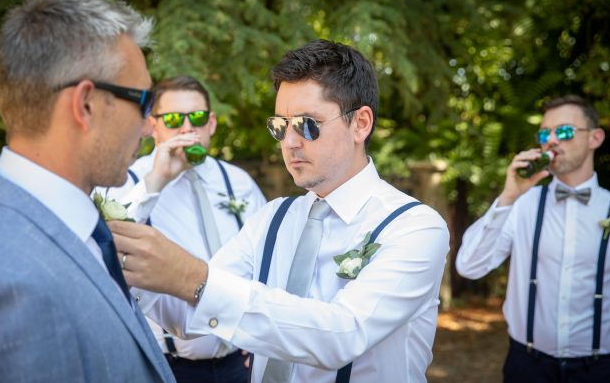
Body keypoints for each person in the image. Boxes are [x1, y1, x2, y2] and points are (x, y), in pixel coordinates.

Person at [111, 39, 450, 383]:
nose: (289, 142)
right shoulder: (272, 218)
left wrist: (193, 276)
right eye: (280, 126)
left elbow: (342, 335)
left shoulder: (414, 228)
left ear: (360, 123)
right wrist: (139, 271)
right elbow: (189, 317)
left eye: (307, 124)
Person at [0, 0, 175, 383]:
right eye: (143, 102)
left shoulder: (77, 228)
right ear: (85, 104)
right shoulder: (8, 281)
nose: (148, 127)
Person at [103, 75, 267, 383]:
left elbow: (267, 259)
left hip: (240, 363)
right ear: (153, 126)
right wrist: (156, 182)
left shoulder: (237, 181)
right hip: (166, 366)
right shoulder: (129, 181)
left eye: (198, 117)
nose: (187, 128)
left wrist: (262, 341)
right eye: (174, 119)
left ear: (212, 123)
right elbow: (108, 249)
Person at [456, 95, 610, 382]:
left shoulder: (608, 206)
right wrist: (508, 197)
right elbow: (469, 266)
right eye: (544, 134)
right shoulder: (522, 203)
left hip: (600, 369)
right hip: (527, 366)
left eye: (564, 131)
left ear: (595, 138)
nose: (551, 140)